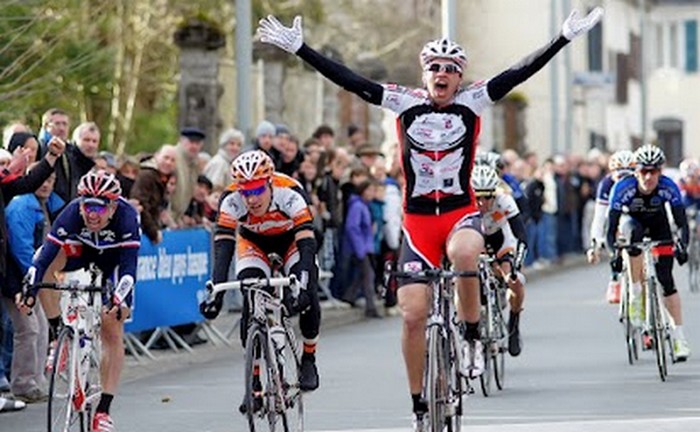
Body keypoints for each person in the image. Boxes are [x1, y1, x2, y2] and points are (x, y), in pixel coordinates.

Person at [257, 7, 602, 428]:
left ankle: (471, 336)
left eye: (451, 69)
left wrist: (562, 37)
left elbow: (518, 72)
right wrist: (302, 49)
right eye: (435, 67)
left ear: (460, 77)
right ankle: (419, 402)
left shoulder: (473, 101)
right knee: (412, 315)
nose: (442, 74)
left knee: (466, 254)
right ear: (425, 74)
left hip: (459, 213)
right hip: (417, 222)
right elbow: (351, 81)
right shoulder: (404, 102)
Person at [19, 170, 141, 432]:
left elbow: (129, 269)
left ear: (112, 207)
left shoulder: (127, 217)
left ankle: (103, 410)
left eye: (99, 208)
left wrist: (118, 299)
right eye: (88, 206)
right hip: (81, 253)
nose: (92, 214)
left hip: (113, 262)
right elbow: (43, 257)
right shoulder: (72, 212)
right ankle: (58, 335)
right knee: (44, 262)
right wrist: (30, 290)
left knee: (112, 326)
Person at [200, 150, 322, 401]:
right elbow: (223, 249)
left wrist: (304, 284)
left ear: (269, 182)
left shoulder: (290, 192)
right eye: (245, 191)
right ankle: (254, 382)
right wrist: (217, 293)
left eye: (257, 190)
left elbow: (307, 245)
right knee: (251, 296)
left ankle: (309, 359)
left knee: (307, 292)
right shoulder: (230, 200)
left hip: (291, 241)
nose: (252, 198)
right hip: (254, 243)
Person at [606, 145, 691, 361]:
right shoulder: (623, 188)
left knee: (666, 281)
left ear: (660, 172)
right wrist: (614, 254)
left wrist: (683, 245)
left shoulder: (668, 186)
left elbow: (681, 222)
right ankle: (636, 293)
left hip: (658, 224)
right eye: (644, 171)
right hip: (632, 223)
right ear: (636, 171)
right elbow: (611, 227)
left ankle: (678, 338)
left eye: (654, 172)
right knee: (632, 236)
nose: (648, 177)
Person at [470, 165, 528, 356]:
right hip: (475, 239)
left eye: (487, 197)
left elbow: (521, 234)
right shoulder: (465, 203)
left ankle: (514, 323)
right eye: (477, 197)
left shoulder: (504, 200)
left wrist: (516, 263)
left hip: (500, 239)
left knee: (515, 281)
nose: (482, 202)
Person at [586, 150, 635, 303]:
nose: (623, 180)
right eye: (619, 176)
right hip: (615, 215)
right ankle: (615, 278)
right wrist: (595, 244)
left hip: (635, 214)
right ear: (612, 172)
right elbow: (599, 217)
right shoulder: (606, 184)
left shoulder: (639, 182)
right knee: (613, 232)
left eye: (628, 175)